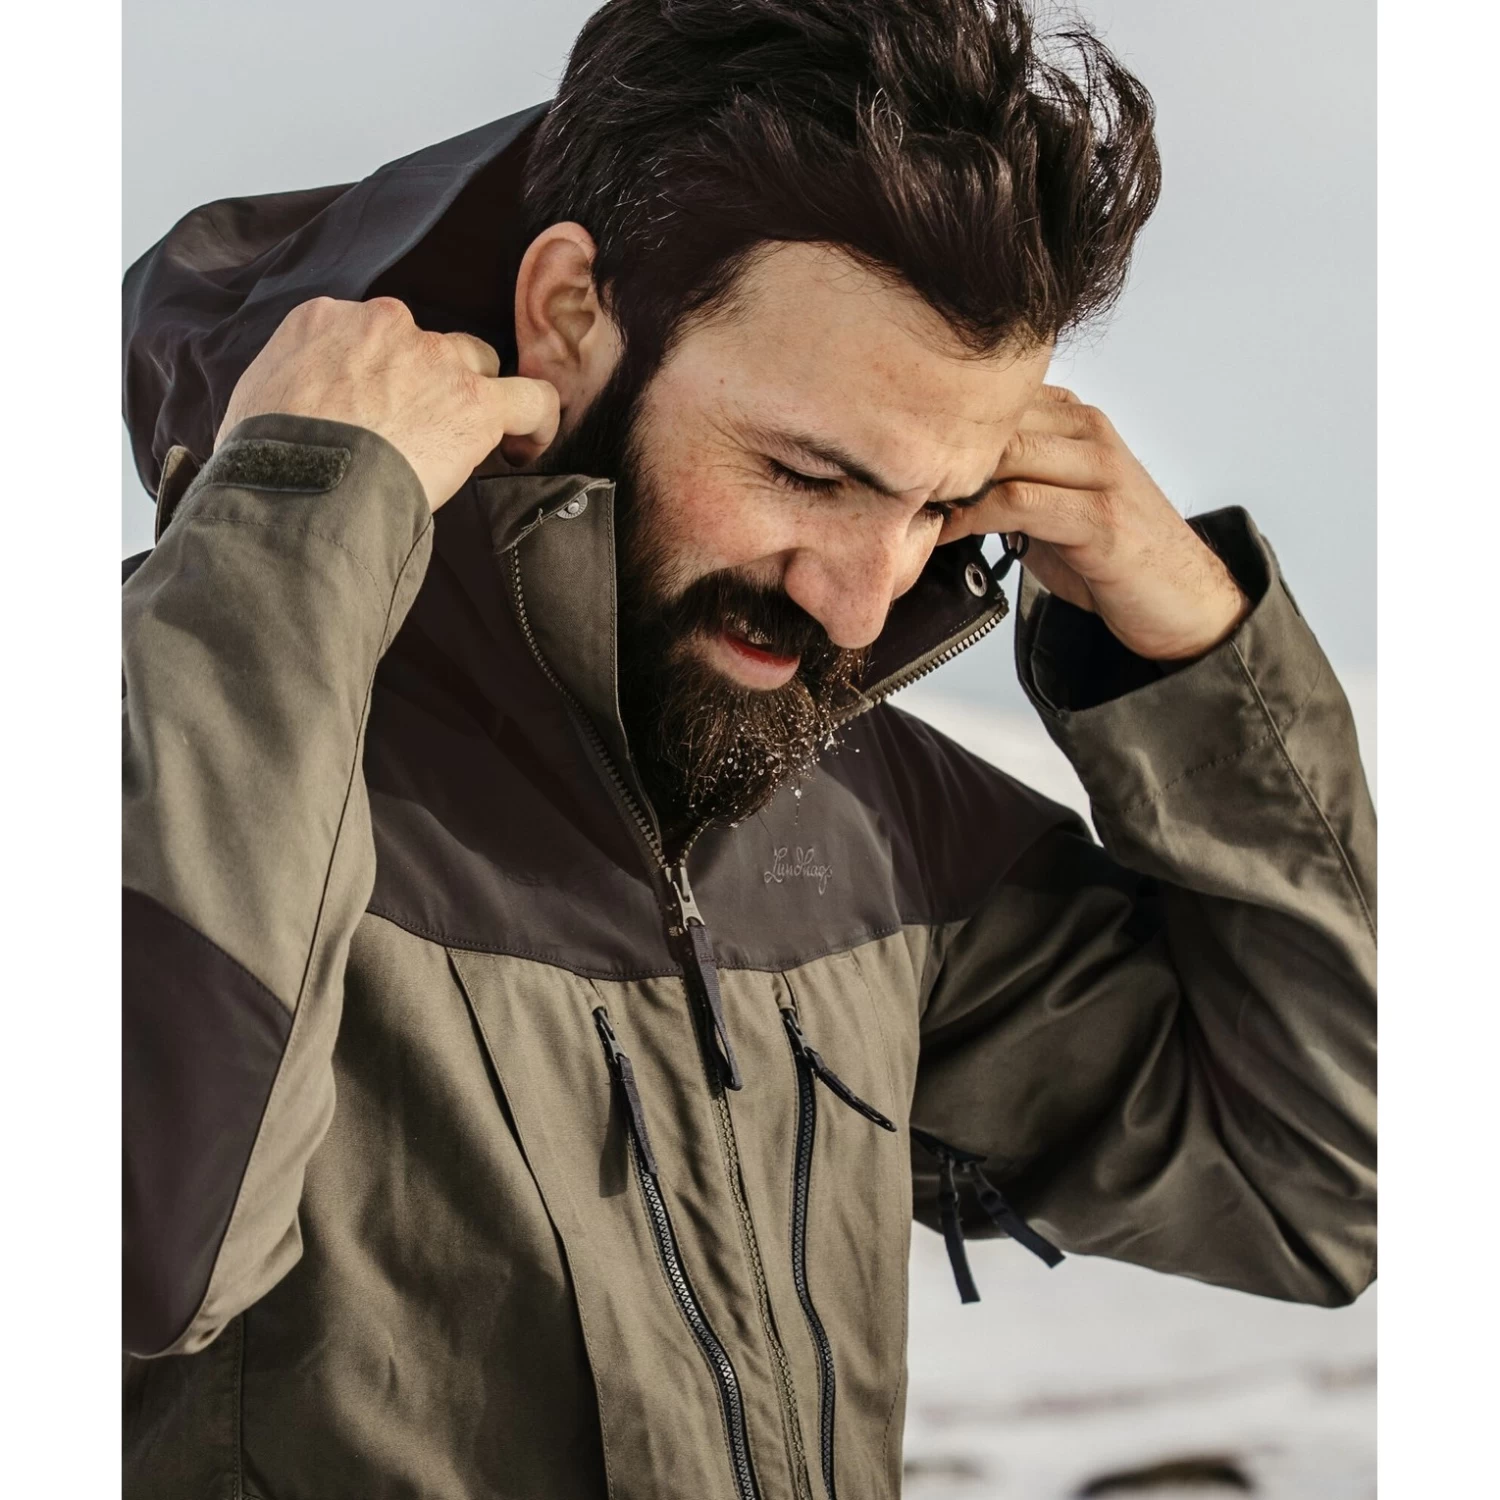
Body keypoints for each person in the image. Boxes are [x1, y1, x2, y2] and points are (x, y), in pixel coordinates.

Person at [121, 2, 1376, 1496]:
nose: (862, 603)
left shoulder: (854, 815)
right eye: (807, 474)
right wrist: (288, 522)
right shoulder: (147, 721)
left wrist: (1191, 655)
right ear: (568, 316)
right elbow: (134, 1251)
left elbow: (1325, 1183)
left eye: (937, 505)